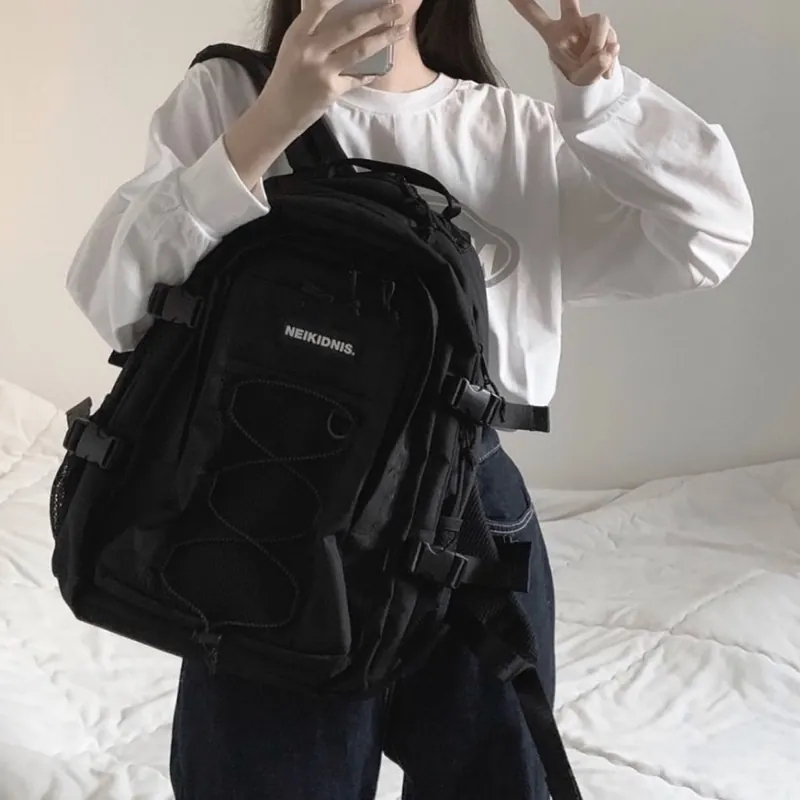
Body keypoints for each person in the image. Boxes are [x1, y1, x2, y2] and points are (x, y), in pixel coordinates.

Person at [65, 0, 753, 797]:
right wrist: (274, 118)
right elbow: (114, 300)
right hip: (268, 499)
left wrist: (603, 97)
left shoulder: (512, 132)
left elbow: (711, 234)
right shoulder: (231, 94)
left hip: (467, 513)